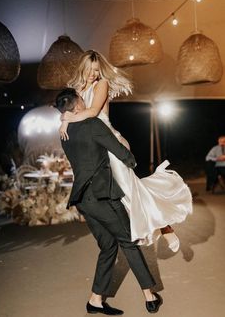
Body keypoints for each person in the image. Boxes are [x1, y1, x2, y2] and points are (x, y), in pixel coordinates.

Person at [59, 50, 192, 251]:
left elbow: (93, 112)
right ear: (83, 68)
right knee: (117, 194)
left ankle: (165, 227)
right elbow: (70, 110)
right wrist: (63, 122)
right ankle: (137, 230)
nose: (94, 74)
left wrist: (68, 119)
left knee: (129, 190)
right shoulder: (76, 89)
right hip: (94, 146)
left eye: (97, 70)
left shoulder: (101, 84)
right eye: (90, 70)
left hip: (111, 141)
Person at [55, 88, 163, 314]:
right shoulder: (92, 125)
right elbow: (117, 149)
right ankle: (150, 295)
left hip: (83, 200)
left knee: (108, 246)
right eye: (82, 100)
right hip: (102, 196)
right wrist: (133, 163)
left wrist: (66, 120)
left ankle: (95, 300)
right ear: (76, 107)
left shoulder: (65, 133)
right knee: (128, 240)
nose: (85, 102)